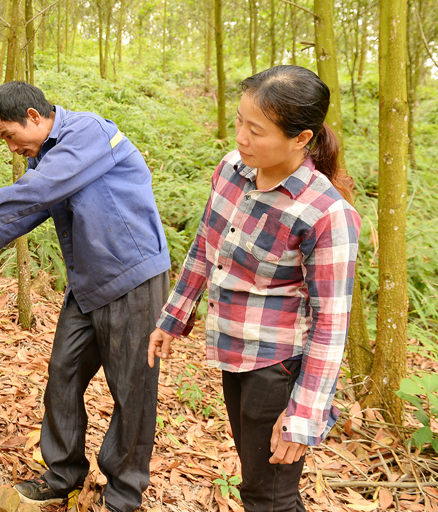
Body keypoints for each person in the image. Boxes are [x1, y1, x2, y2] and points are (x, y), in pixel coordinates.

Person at [0, 81, 171, 512]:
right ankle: (62, 476)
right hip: (88, 283)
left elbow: (39, 190)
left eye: (8, 135)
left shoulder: (90, 133)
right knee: (64, 374)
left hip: (132, 278)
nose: (10, 148)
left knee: (132, 388)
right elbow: (39, 206)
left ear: (35, 117)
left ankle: (123, 494)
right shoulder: (46, 155)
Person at [148, 65, 361, 512]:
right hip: (234, 352)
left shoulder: (325, 213)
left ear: (301, 138)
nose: (241, 137)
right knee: (260, 485)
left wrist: (304, 414)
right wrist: (173, 316)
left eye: (256, 130)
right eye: (241, 121)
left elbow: (331, 324)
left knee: (269, 495)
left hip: (278, 367)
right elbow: (207, 244)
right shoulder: (232, 169)